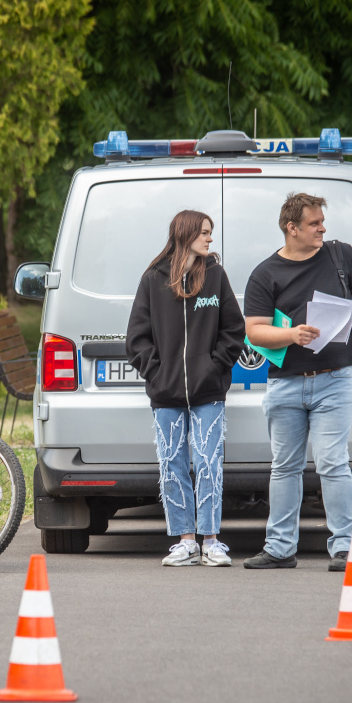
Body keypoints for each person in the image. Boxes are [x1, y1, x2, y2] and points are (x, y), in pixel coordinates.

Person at [241, 193, 352, 571]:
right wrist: (291, 335)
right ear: (292, 228)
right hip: (285, 383)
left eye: (322, 221)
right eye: (314, 223)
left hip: (334, 379)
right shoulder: (265, 273)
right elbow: (254, 332)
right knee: (284, 466)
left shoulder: (340, 255)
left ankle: (346, 548)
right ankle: (280, 549)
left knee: (333, 463)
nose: (322, 228)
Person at [126, 210, 245, 566]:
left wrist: (213, 367)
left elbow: (234, 331)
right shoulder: (153, 279)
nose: (210, 239)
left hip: (208, 392)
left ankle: (212, 540)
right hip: (166, 395)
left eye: (211, 233)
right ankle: (185, 541)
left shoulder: (215, 276)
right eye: (205, 233)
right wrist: (158, 374)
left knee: (209, 463)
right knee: (172, 464)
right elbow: (136, 339)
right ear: (186, 234)